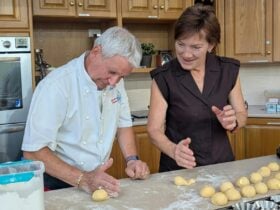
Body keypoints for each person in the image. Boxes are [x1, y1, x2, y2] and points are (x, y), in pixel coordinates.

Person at [22, 26, 150, 194]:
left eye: (122, 76)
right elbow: (33, 152)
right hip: (55, 184)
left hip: (92, 181)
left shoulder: (116, 82)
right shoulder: (56, 86)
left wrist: (132, 160)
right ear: (96, 51)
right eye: (112, 72)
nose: (114, 82)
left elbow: (123, 125)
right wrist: (83, 178)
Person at [147, 4, 248, 173]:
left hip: (221, 165)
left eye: (195, 47)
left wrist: (234, 121)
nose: (186, 54)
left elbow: (242, 114)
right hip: (178, 169)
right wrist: (174, 150)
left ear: (211, 45)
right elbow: (153, 130)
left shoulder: (228, 70)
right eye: (181, 44)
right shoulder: (163, 77)